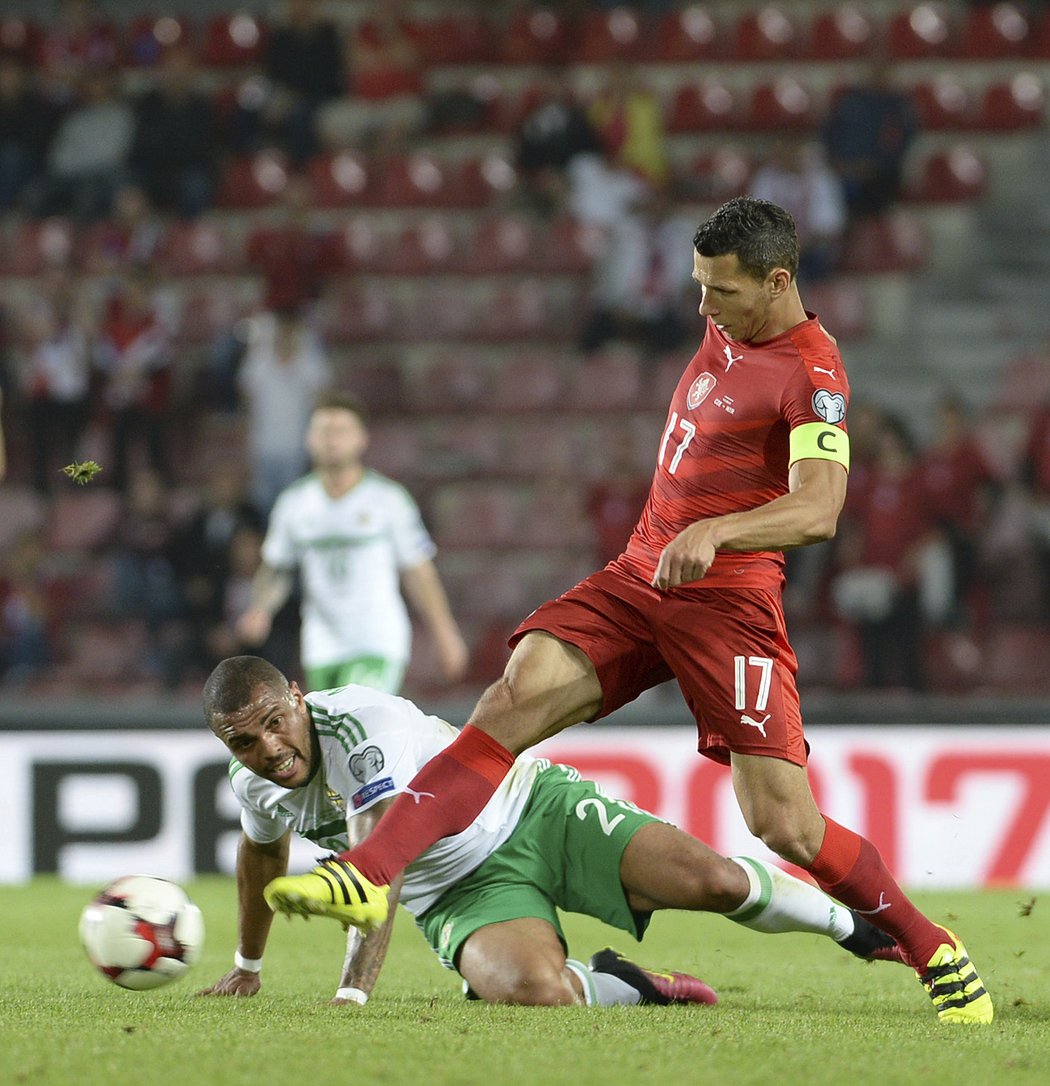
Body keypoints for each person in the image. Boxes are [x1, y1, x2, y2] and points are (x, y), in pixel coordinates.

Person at [264, 197, 993, 1026]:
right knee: (510, 700)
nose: (702, 307)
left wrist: (720, 530)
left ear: (778, 282)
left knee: (782, 826)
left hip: (727, 603)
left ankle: (932, 947)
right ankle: (369, 873)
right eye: (698, 286)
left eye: (719, 291)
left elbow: (820, 508)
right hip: (640, 574)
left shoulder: (812, 370)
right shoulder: (727, 326)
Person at [198, 655, 903, 1006]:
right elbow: (261, 857)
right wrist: (249, 967)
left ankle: (851, 927)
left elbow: (382, 862)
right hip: (456, 895)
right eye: (244, 742)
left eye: (273, 722)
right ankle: (632, 987)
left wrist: (351, 996)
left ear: (296, 696)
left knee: (714, 881)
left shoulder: (358, 726)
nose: (269, 750)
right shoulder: (253, 784)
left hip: (532, 810)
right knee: (536, 991)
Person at [236, 392, 468, 693]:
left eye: (341, 431)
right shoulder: (294, 502)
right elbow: (278, 567)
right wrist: (260, 608)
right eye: (323, 431)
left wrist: (445, 634)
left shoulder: (388, 499)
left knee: (358, 719)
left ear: (361, 439)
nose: (332, 439)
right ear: (308, 439)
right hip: (321, 643)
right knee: (333, 737)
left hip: (376, 640)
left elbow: (418, 571)